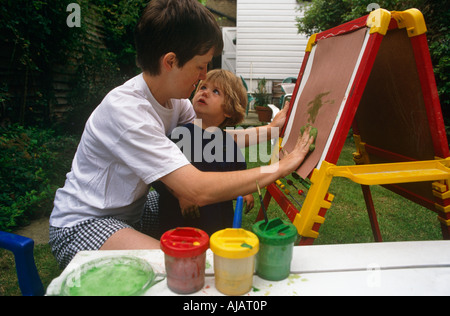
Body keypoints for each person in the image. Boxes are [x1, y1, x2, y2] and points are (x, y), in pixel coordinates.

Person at [49, 0, 314, 269]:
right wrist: (281, 168)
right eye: (200, 66)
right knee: (186, 263)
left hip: (133, 211)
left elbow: (215, 139)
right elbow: (196, 189)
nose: (202, 76)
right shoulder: (128, 110)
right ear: (171, 61)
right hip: (84, 223)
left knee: (202, 211)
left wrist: (271, 130)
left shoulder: (176, 102)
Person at [152, 69, 254, 237]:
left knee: (213, 254)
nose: (204, 92)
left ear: (228, 110)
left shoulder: (228, 143)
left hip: (217, 221)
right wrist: (180, 195)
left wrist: (244, 191)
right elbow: (159, 173)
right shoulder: (180, 135)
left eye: (215, 91)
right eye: (202, 87)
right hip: (180, 221)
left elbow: (236, 176)